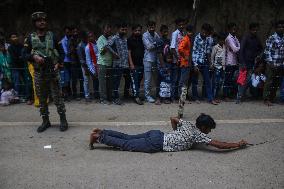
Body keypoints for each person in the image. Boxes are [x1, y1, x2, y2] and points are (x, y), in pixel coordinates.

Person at [89, 114, 248, 153]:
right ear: (204, 128)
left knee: (127, 137)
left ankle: (102, 131)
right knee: (126, 145)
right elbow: (219, 145)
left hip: (157, 134)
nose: (210, 131)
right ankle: (98, 137)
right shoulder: (199, 135)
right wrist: (237, 144)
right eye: (210, 129)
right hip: (157, 143)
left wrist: (177, 134)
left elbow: (173, 118)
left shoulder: (187, 123)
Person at [22, 12, 68, 132]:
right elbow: (24, 54)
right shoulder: (30, 38)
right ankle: (45, 121)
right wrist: (34, 57)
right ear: (35, 23)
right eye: (39, 21)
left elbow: (62, 52)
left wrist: (59, 63)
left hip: (53, 71)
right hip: (39, 72)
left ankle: (63, 120)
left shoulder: (53, 36)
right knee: (42, 98)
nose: (42, 22)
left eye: (44, 20)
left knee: (58, 97)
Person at [192, 23, 218, 105]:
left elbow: (208, 52)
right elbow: (193, 52)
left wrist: (211, 63)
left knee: (207, 80)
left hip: (205, 61)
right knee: (195, 80)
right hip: (197, 61)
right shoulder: (196, 38)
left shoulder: (209, 39)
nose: (205, 33)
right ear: (201, 29)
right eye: (204, 31)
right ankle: (195, 97)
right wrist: (195, 64)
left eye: (207, 32)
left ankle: (210, 98)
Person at [236, 23, 263, 103]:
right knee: (241, 80)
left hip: (251, 63)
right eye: (253, 30)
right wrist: (242, 63)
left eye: (256, 30)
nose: (255, 31)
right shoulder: (245, 38)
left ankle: (242, 95)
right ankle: (239, 97)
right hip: (244, 63)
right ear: (250, 30)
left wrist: (258, 55)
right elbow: (241, 51)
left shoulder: (257, 39)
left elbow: (261, 49)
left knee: (248, 80)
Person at [106, 23, 129, 105]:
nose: (124, 31)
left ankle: (118, 96)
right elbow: (107, 46)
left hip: (124, 64)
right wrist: (114, 54)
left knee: (119, 81)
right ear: (118, 29)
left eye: (125, 29)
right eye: (122, 29)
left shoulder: (124, 38)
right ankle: (115, 98)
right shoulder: (114, 38)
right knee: (115, 81)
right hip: (117, 64)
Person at [263, 20, 284, 106]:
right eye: (279, 27)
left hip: (281, 64)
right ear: (275, 28)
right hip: (272, 64)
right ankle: (266, 99)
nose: (281, 28)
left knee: (277, 82)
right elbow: (267, 52)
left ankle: (272, 97)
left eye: (283, 27)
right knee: (269, 82)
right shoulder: (272, 38)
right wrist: (271, 63)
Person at [142, 21, 163, 103]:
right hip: (147, 59)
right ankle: (147, 96)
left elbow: (160, 44)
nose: (152, 28)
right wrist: (156, 43)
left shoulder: (156, 34)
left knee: (156, 78)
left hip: (155, 59)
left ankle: (157, 95)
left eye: (153, 26)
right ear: (147, 27)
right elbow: (149, 47)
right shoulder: (145, 35)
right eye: (150, 26)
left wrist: (156, 44)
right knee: (147, 79)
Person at [128, 24, 144, 105]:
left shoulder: (142, 39)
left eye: (139, 30)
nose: (138, 32)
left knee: (139, 80)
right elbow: (129, 52)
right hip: (134, 64)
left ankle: (135, 94)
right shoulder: (130, 40)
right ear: (133, 31)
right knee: (134, 80)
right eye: (136, 30)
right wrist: (131, 64)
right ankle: (136, 97)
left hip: (141, 63)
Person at [97, 24, 113, 105]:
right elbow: (102, 52)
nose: (109, 30)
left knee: (109, 82)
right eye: (107, 28)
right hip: (102, 63)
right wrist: (106, 46)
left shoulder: (110, 38)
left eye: (110, 28)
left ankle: (109, 98)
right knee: (102, 83)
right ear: (104, 30)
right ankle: (103, 99)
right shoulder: (100, 39)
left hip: (109, 63)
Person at [170, 18, 186, 101]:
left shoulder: (183, 33)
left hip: (181, 59)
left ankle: (177, 96)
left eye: (183, 24)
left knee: (180, 79)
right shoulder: (175, 34)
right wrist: (177, 58)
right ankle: (172, 97)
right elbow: (172, 48)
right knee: (175, 79)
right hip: (176, 60)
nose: (181, 26)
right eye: (180, 25)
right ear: (177, 25)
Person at [223, 23, 240, 100]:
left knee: (233, 79)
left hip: (235, 61)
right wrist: (239, 47)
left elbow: (238, 47)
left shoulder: (235, 38)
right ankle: (225, 95)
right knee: (227, 79)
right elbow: (235, 49)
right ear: (229, 30)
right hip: (229, 62)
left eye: (235, 29)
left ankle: (230, 94)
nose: (234, 31)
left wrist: (238, 47)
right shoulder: (229, 38)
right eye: (233, 29)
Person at [178, 25, 193, 98]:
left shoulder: (189, 39)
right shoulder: (186, 39)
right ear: (187, 32)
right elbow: (180, 49)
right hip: (185, 63)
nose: (191, 33)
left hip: (187, 63)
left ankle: (183, 96)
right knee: (183, 81)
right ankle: (180, 96)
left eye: (191, 32)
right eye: (189, 32)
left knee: (186, 81)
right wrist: (185, 57)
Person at [84, 31, 100, 102]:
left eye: (92, 36)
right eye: (89, 37)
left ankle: (102, 95)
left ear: (94, 36)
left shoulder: (99, 43)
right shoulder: (87, 48)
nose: (91, 38)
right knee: (95, 82)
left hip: (102, 64)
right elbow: (88, 61)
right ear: (88, 38)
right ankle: (96, 96)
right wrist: (93, 71)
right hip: (94, 66)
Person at [210, 32, 226, 101]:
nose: (222, 41)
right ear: (218, 40)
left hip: (223, 67)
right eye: (221, 40)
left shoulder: (225, 47)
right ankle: (213, 97)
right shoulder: (215, 47)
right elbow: (212, 56)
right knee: (215, 82)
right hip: (216, 67)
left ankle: (217, 96)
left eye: (223, 40)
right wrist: (212, 64)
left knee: (220, 82)